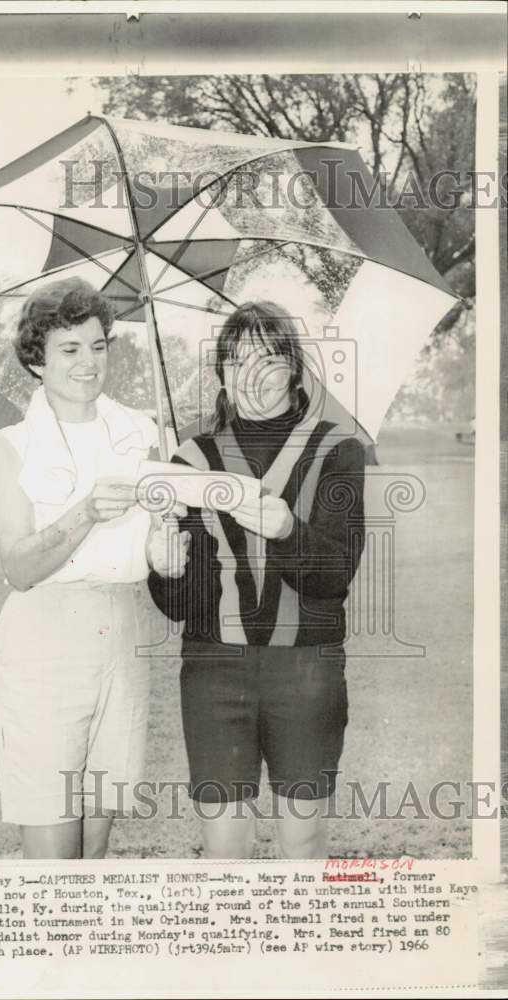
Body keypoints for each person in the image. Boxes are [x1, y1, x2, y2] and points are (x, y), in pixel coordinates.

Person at [148, 301, 366, 859]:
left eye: (268, 357)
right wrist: (166, 571)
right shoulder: (191, 459)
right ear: (219, 372)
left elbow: (335, 577)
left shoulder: (335, 449)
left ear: (294, 368)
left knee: (304, 837)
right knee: (224, 847)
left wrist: (290, 531)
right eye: (236, 359)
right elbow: (182, 605)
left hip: (306, 668)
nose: (251, 374)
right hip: (214, 667)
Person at [0, 277, 188, 859]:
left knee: (95, 835)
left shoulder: (142, 435)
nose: (88, 362)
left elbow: (155, 558)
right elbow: (19, 566)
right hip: (44, 638)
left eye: (98, 346)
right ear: (36, 361)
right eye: (69, 349)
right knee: (52, 838)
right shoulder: (12, 446)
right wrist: (84, 513)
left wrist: (168, 549)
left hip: (122, 635)